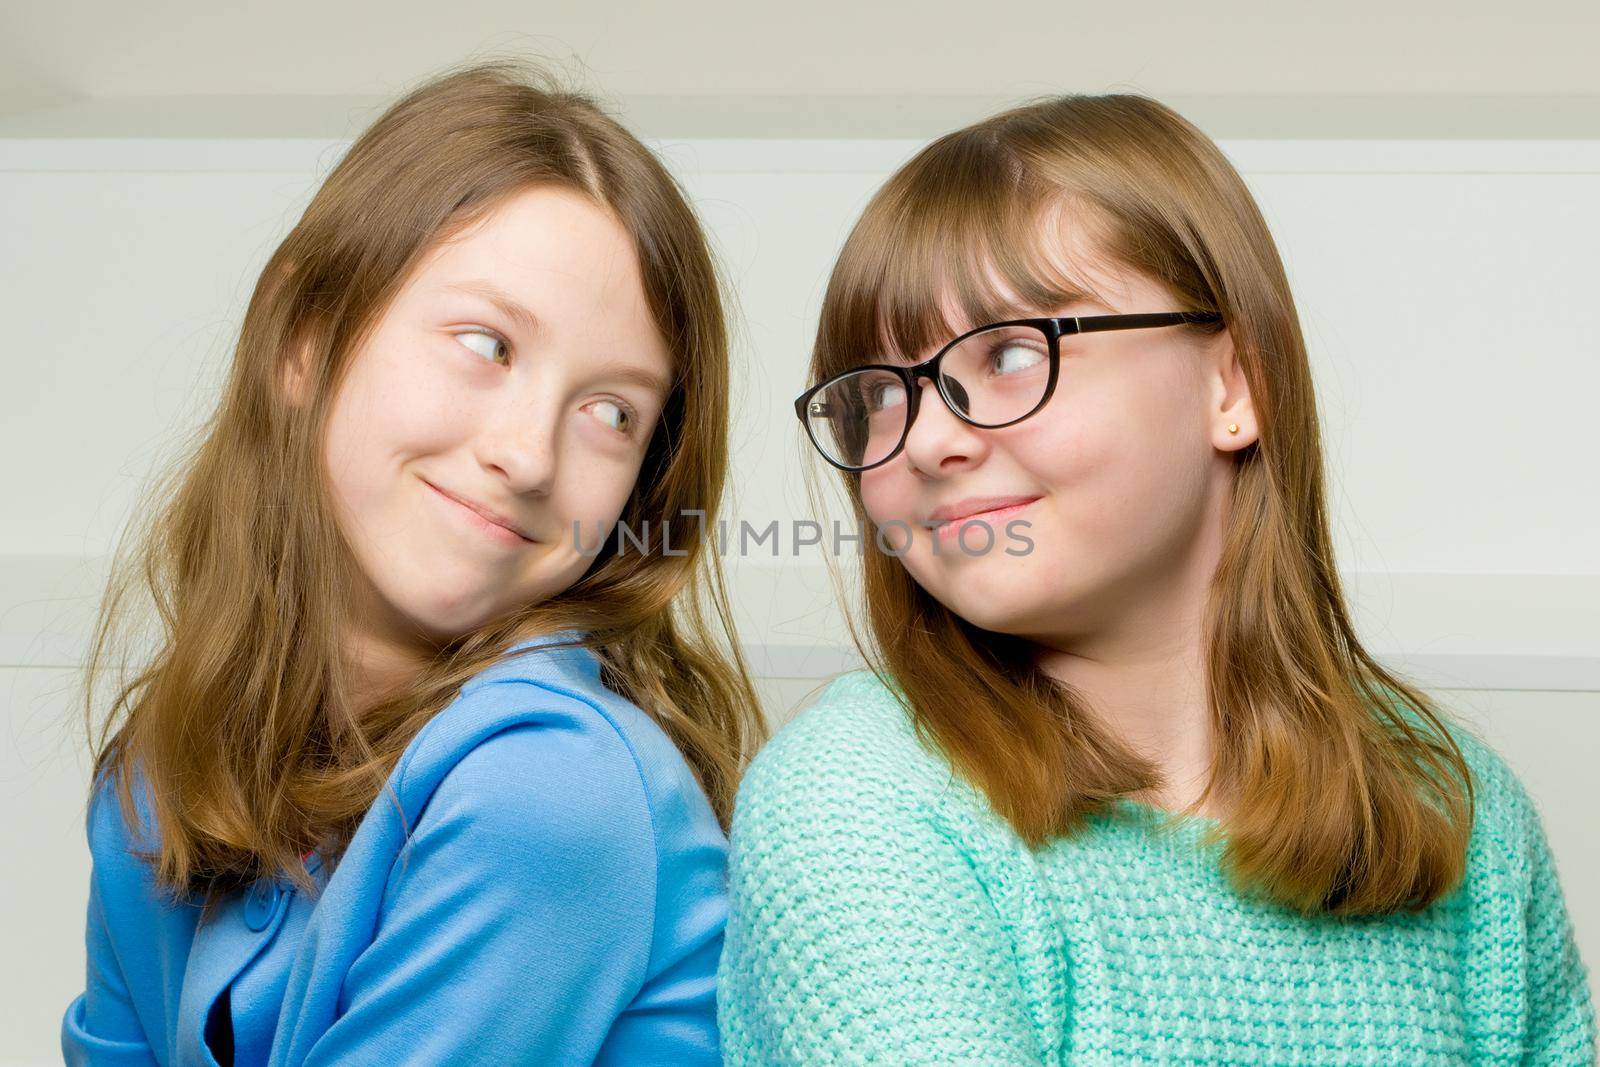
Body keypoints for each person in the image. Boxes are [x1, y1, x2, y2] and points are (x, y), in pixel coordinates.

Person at [717, 93, 1596, 1064]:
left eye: (1010, 352)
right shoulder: (857, 799)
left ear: (1234, 385)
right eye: (878, 395)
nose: (924, 440)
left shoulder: (1466, 814)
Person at [62, 57, 764, 1066]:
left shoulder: (550, 783)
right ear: (304, 340)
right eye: (485, 343)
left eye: (610, 411)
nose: (527, 455)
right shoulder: (156, 777)